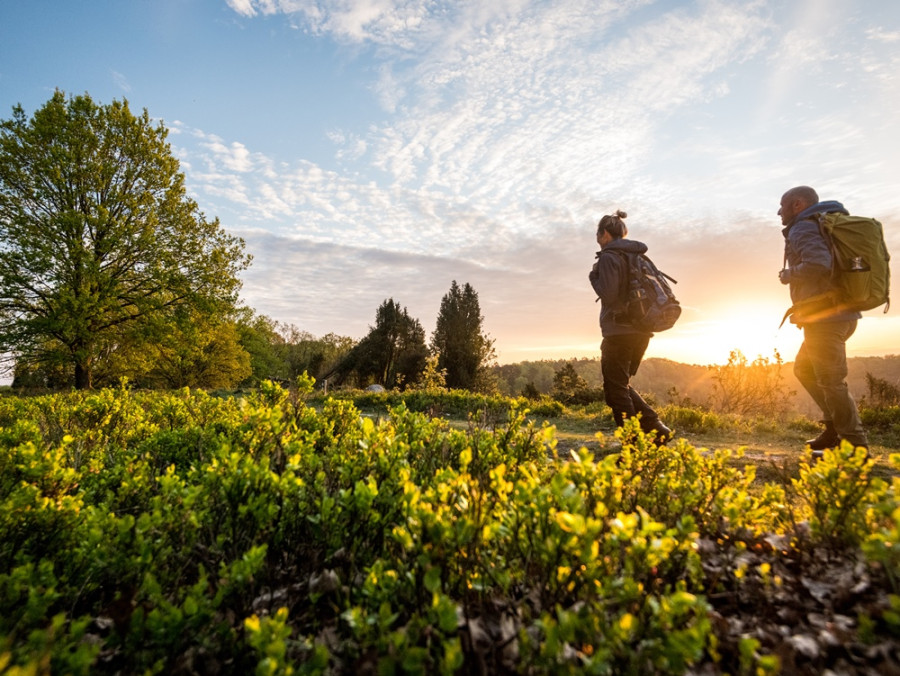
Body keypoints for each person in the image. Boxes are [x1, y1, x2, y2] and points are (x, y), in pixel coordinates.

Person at [778, 186, 868, 455]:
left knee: (831, 381)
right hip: (838, 315)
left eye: (782, 205)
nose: (778, 211)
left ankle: (854, 445)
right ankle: (833, 430)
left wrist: (789, 274)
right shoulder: (820, 224)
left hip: (828, 319)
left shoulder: (803, 227)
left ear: (797, 204)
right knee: (804, 369)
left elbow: (819, 264)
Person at [588, 210, 672, 444]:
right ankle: (657, 429)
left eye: (597, 233)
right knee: (621, 385)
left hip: (619, 331)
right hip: (642, 331)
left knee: (615, 391)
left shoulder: (609, 257)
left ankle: (633, 444)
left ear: (605, 233)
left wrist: (593, 277)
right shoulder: (638, 257)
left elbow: (610, 296)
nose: (597, 238)